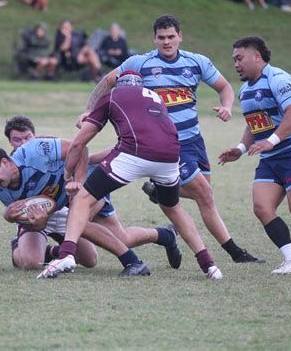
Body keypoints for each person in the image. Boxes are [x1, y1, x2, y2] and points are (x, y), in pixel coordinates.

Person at [77, 14, 264, 265]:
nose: (167, 42)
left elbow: (224, 88)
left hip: (194, 140)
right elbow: (107, 82)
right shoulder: (140, 63)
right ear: (154, 39)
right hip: (167, 144)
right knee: (205, 195)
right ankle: (235, 253)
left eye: (171, 37)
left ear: (180, 37)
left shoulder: (196, 62)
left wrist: (227, 106)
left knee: (204, 196)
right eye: (161, 37)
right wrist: (89, 110)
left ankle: (161, 191)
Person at [38, 71, 223, 280]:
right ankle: (209, 266)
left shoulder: (112, 96)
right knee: (173, 208)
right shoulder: (155, 98)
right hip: (171, 156)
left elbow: (79, 143)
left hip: (135, 153)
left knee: (82, 199)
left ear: (118, 85)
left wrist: (68, 175)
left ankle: (66, 255)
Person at [4, 115, 183, 270]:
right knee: (38, 256)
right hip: (51, 212)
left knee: (115, 241)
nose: (23, 143)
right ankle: (52, 252)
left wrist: (80, 180)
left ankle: (164, 236)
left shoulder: (45, 147)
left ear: (34, 135)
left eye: (27, 137)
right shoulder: (11, 168)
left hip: (80, 196)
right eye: (17, 140)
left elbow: (81, 153)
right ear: (10, 142)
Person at [0, 138, 152, 276]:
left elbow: (80, 148)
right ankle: (132, 261)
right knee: (31, 263)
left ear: (5, 162)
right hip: (54, 211)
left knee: (89, 259)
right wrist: (37, 221)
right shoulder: (4, 193)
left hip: (78, 193)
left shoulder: (35, 152)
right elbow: (37, 224)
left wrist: (79, 182)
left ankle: (136, 257)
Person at [218, 36, 291, 275]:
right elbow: (255, 124)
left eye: (240, 58)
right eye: (234, 60)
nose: (236, 64)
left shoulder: (278, 79)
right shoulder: (245, 90)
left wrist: (271, 141)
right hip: (270, 159)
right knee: (262, 207)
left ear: (256, 56)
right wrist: (239, 149)